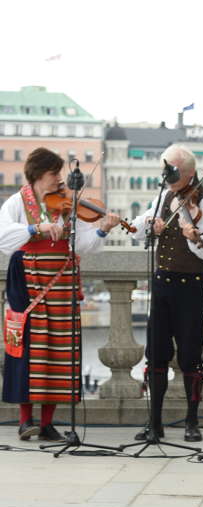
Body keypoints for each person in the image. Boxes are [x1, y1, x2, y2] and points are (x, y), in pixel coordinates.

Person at [2, 148, 122, 440]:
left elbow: (81, 244)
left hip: (61, 281)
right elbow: (3, 237)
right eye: (55, 173)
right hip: (27, 280)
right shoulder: (17, 202)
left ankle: (47, 422)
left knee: (59, 348)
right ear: (38, 175)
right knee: (27, 349)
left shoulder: (67, 204)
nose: (60, 179)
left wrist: (103, 230)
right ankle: (24, 419)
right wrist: (34, 227)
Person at [128, 144, 203, 442]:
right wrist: (149, 226)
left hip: (190, 286)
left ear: (190, 173)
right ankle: (154, 423)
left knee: (191, 356)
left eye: (173, 170)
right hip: (162, 284)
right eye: (165, 169)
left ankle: (192, 422)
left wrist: (193, 235)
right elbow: (139, 227)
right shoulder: (164, 196)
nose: (168, 175)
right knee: (156, 354)